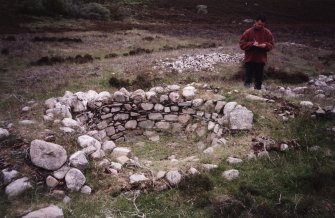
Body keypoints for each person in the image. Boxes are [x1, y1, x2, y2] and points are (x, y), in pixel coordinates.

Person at [239, 14, 274, 90]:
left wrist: (265, 45)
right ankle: (245, 93)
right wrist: (252, 44)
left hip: (260, 60)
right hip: (250, 59)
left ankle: (258, 93)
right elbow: (242, 44)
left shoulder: (267, 33)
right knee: (248, 78)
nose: (260, 26)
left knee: (259, 79)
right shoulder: (248, 32)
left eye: (262, 24)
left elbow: (271, 45)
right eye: (259, 24)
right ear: (255, 22)